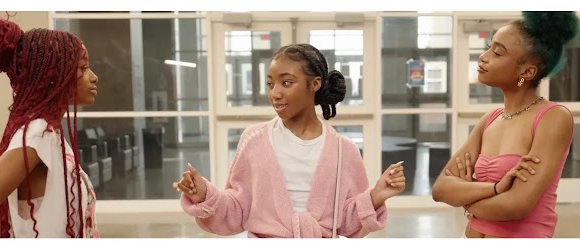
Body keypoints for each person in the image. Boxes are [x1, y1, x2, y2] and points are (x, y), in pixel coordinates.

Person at [173, 44, 406, 238]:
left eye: (286, 83)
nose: (275, 93)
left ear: (314, 84)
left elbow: (346, 221)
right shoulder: (254, 140)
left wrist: (376, 194)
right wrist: (204, 193)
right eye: (270, 83)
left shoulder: (343, 150)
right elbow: (238, 210)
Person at [431, 11, 580, 238]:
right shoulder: (490, 119)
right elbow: (441, 190)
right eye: (490, 47)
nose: (483, 56)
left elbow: (516, 206)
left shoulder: (553, 118)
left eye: (498, 52)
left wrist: (466, 199)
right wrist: (494, 189)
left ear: (527, 72)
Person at [0, 14, 100, 238]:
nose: (93, 77)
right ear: (54, 76)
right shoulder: (37, 133)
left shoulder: (49, 131)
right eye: (82, 69)